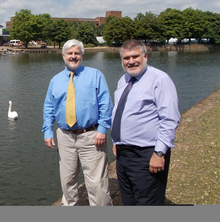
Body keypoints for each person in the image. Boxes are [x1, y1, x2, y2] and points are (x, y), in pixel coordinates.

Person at [42, 39, 113, 206]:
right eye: (70, 53)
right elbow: (49, 108)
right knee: (67, 180)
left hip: (91, 135)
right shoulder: (56, 80)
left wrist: (102, 129)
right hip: (65, 136)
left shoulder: (95, 75)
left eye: (77, 53)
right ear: (63, 56)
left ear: (82, 55)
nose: (73, 57)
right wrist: (48, 131)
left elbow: (106, 105)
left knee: (97, 183)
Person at [111, 39, 180, 205]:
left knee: (148, 201)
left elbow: (169, 119)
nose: (131, 61)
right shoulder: (124, 80)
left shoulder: (160, 79)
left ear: (145, 56)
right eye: (126, 58)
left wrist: (160, 153)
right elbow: (121, 111)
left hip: (147, 153)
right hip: (123, 154)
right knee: (129, 200)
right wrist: (117, 140)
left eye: (135, 56)